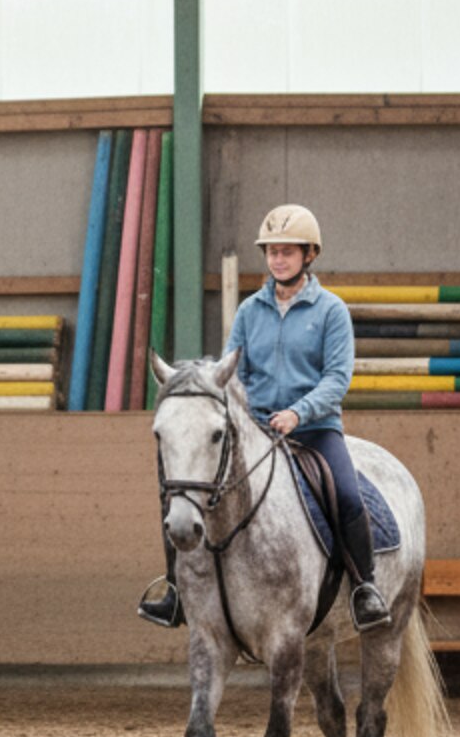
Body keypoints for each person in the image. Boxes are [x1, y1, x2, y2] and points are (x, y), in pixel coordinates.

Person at [138, 203, 391, 634]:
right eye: (272, 252)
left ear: (309, 254)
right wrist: (246, 412)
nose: (277, 260)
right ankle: (176, 590)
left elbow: (336, 378)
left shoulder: (331, 312)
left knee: (347, 494)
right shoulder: (249, 312)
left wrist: (298, 412)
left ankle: (365, 589)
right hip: (256, 430)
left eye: (287, 252)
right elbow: (234, 372)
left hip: (314, 431)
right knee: (186, 490)